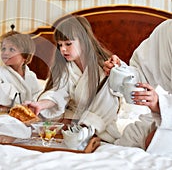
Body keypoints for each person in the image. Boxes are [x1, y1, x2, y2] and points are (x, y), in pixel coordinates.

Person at [102, 0, 172, 156]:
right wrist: (120, 71)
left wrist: (160, 104)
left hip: (167, 110)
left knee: (154, 142)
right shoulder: (166, 31)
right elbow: (141, 75)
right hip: (166, 113)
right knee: (128, 140)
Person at [27, 15, 121, 143]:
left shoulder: (106, 66)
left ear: (84, 40)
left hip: (100, 124)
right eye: (60, 45)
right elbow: (58, 93)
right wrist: (39, 105)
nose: (62, 49)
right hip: (73, 122)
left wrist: (119, 71)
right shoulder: (66, 68)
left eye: (68, 44)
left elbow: (123, 90)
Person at [0, 25, 43, 119]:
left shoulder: (31, 76)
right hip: (0, 117)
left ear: (25, 55)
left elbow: (38, 97)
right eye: (3, 49)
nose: (5, 53)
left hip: (24, 118)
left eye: (11, 49)